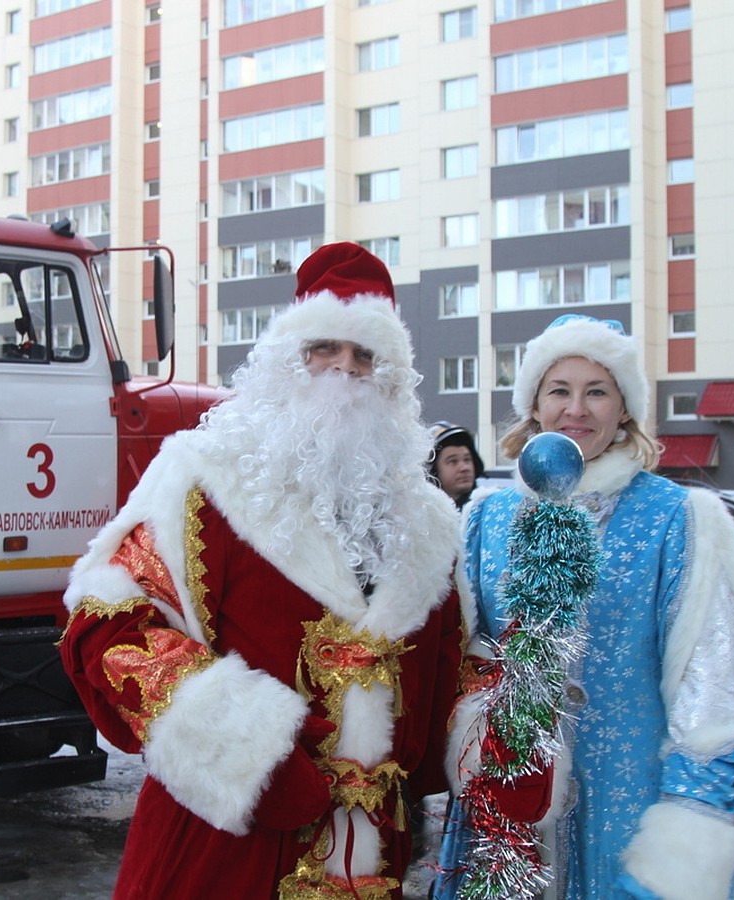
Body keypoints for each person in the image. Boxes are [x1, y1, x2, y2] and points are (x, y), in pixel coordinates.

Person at [60, 242, 464, 900]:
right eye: (324, 349)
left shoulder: (429, 525)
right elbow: (106, 623)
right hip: (225, 845)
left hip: (367, 859)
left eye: (366, 356)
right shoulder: (206, 479)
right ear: (287, 362)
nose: (345, 372)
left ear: (392, 379)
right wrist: (249, 750)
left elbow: (447, 672)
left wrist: (493, 736)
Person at [433, 314, 734, 900]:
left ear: (625, 410)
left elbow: (711, 676)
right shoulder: (486, 517)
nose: (577, 409)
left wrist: (690, 817)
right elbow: (463, 649)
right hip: (508, 805)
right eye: (559, 390)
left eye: (598, 391)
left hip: (628, 801)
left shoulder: (678, 517)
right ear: (535, 406)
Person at [427, 422, 485, 509]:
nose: (465, 468)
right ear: (433, 471)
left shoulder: (488, 509)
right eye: (453, 461)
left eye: (467, 459)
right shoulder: (420, 515)